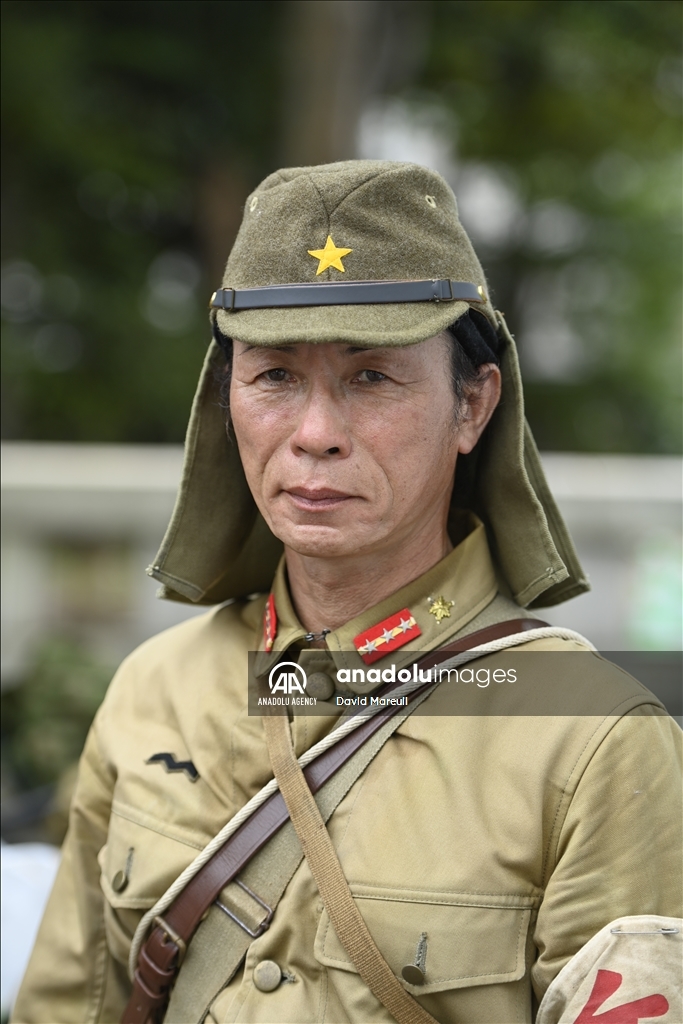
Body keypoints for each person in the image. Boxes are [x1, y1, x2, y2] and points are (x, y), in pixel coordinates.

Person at [13, 161, 681, 1024]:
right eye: (274, 377)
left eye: (371, 377)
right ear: (226, 399)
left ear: (472, 406)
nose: (315, 435)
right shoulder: (158, 690)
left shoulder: (591, 738)